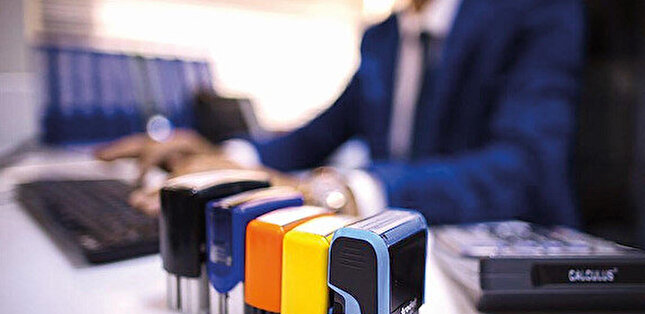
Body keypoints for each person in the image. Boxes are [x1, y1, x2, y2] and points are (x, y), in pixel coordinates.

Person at [97, 0, 584, 225]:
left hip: (512, 273)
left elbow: (523, 168)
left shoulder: (539, 12)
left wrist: (334, 192)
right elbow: (314, 137)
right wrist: (225, 157)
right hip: (399, 250)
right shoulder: (384, 37)